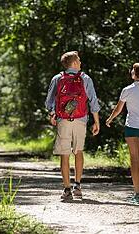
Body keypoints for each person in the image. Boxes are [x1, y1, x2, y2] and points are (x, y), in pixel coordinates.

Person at [45, 51, 100, 200]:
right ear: (74, 63)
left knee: (64, 154)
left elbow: (49, 101)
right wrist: (97, 122)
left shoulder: (57, 78)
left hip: (63, 119)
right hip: (81, 119)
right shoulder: (85, 78)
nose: (81, 63)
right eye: (79, 60)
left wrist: (52, 114)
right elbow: (93, 101)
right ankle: (78, 186)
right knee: (79, 151)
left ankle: (67, 189)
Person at [105, 62, 139, 204]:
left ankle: (137, 193)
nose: (131, 71)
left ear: (135, 74)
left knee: (134, 159)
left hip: (132, 128)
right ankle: (137, 191)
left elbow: (118, 109)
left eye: (132, 70)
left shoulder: (127, 90)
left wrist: (110, 119)